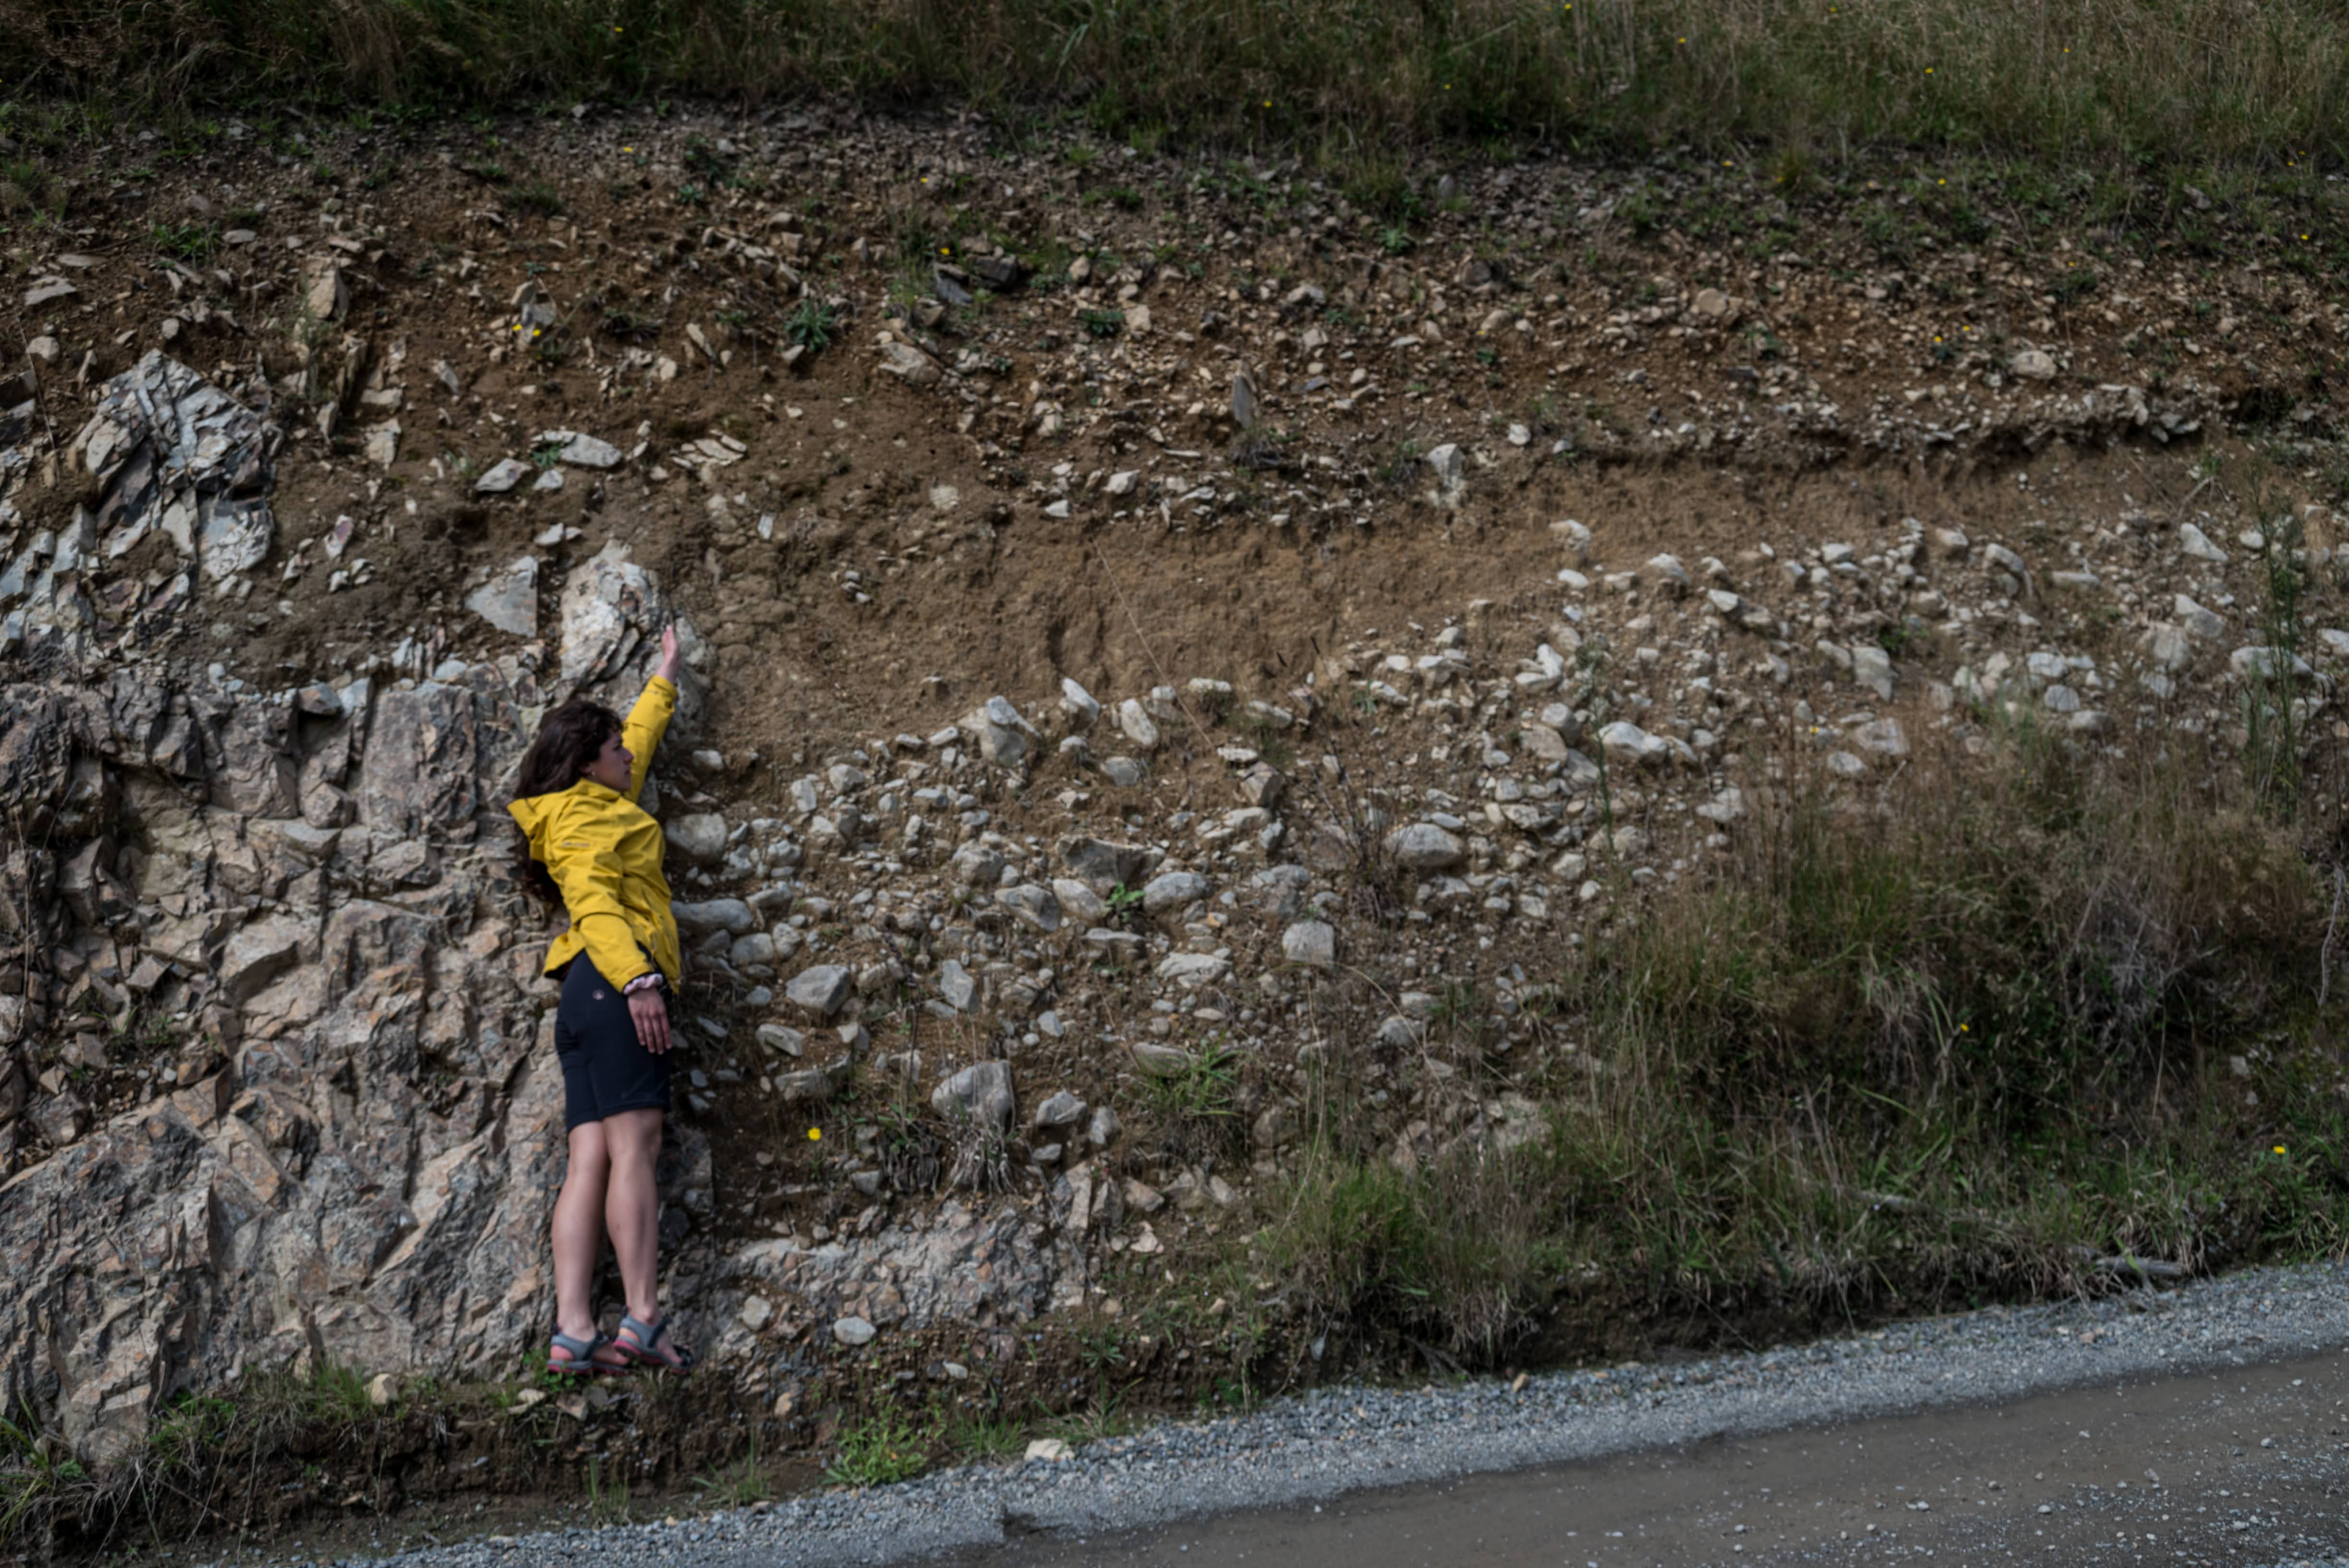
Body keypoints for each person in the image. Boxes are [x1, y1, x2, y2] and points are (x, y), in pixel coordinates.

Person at [508, 626, 698, 1376]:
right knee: (635, 1149)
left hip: (582, 998)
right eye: (615, 749)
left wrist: (665, 679)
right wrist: (641, 980)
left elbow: (638, 747)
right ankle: (644, 1318)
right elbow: (593, 902)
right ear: (588, 763)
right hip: (615, 982)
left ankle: (575, 1329)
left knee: (588, 1156)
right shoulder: (585, 819)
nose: (629, 755)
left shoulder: (584, 803)